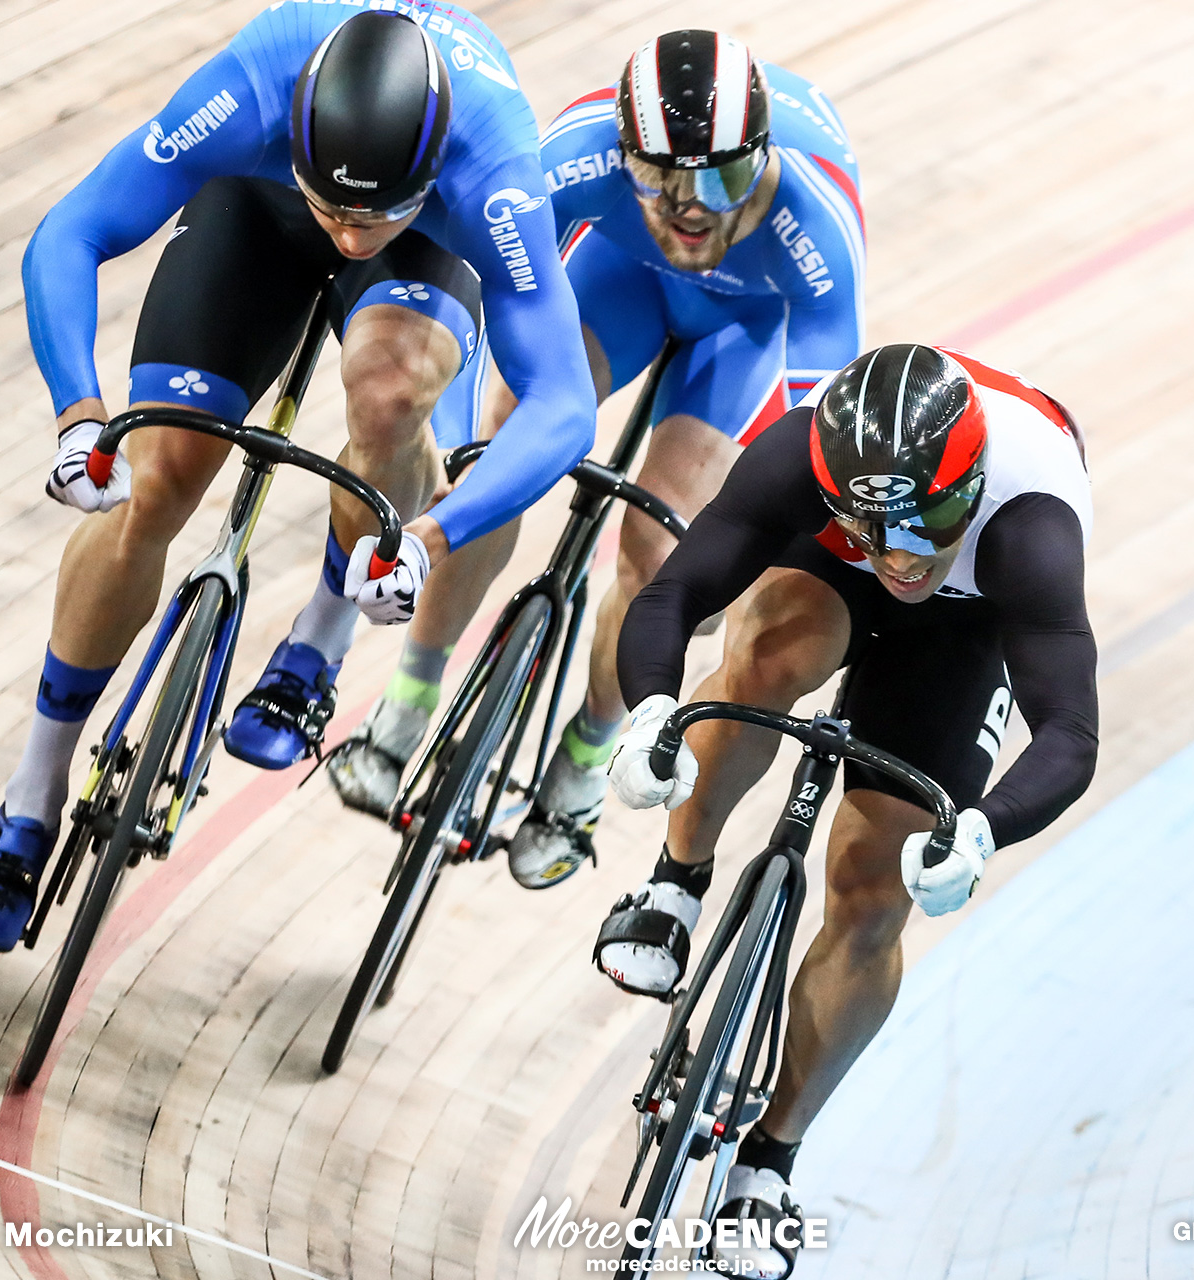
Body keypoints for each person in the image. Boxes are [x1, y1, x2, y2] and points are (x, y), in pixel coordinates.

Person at [0, 3, 594, 951]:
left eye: (366, 215)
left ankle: (320, 641)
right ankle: (33, 791)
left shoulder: (492, 170)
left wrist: (427, 537)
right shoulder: (250, 89)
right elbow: (74, 228)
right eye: (333, 205)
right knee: (160, 476)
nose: (345, 231)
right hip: (256, 201)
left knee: (389, 391)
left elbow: (562, 404)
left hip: (424, 251)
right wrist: (79, 413)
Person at [319, 29, 866, 891]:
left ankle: (580, 766)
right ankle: (409, 701)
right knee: (496, 467)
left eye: (719, 180)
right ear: (624, 154)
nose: (691, 210)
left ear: (760, 163)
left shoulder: (814, 220)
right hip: (619, 277)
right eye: (659, 181)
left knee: (664, 558)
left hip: (742, 334)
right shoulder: (579, 154)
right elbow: (476, 280)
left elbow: (819, 410)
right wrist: (475, 449)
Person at [601, 344, 1099, 1280]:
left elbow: (1070, 732)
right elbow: (675, 592)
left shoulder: (1029, 527)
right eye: (874, 530)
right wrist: (648, 716)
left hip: (967, 623)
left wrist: (984, 826)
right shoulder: (803, 458)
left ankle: (770, 1159)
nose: (897, 558)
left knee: (874, 897)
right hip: (820, 564)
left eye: (919, 531)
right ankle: (676, 884)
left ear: (968, 489)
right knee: (763, 665)